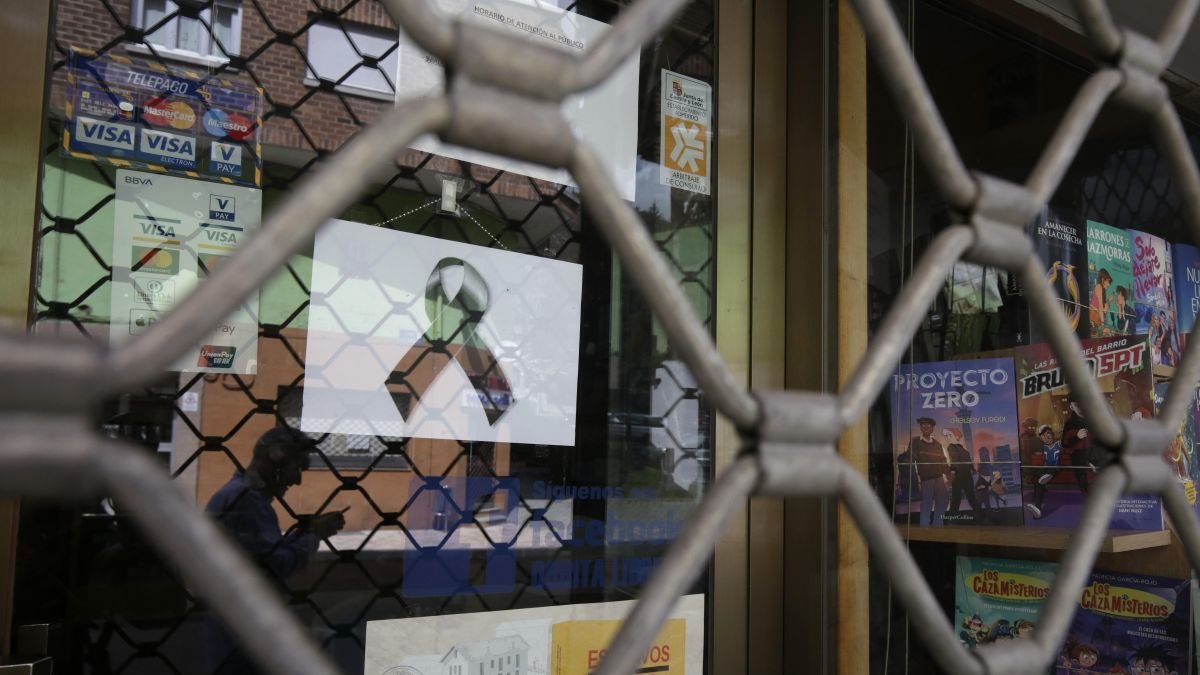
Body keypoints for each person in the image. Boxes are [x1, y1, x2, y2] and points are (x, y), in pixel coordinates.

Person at [204, 427, 346, 672]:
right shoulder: (245, 499)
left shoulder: (242, 495)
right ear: (275, 458)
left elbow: (264, 554)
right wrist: (314, 536)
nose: (298, 480)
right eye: (298, 467)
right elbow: (276, 564)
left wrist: (304, 532)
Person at [906, 417, 950, 526]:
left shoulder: (937, 444)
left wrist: (949, 474)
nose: (925, 427)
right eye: (923, 425)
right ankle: (924, 527)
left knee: (943, 501)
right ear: (920, 427)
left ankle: (938, 525)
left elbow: (943, 461)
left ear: (932, 429)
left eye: (928, 425)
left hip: (939, 478)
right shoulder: (915, 442)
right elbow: (910, 459)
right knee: (927, 503)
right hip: (926, 479)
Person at [944, 428, 985, 519]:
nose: (947, 437)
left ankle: (953, 518)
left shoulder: (955, 447)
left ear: (957, 436)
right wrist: (972, 470)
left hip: (960, 475)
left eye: (949, 435)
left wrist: (953, 474)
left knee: (957, 498)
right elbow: (961, 461)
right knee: (968, 497)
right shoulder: (959, 448)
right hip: (964, 474)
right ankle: (980, 514)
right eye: (946, 436)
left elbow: (956, 461)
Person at [1090, 268, 1112, 334]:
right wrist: (1103, 325)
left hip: (1097, 318)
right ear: (1103, 279)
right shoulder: (1099, 286)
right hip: (1093, 316)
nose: (1109, 284)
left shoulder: (1103, 291)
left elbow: (1104, 311)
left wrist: (1108, 301)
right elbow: (1100, 307)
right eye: (1108, 281)